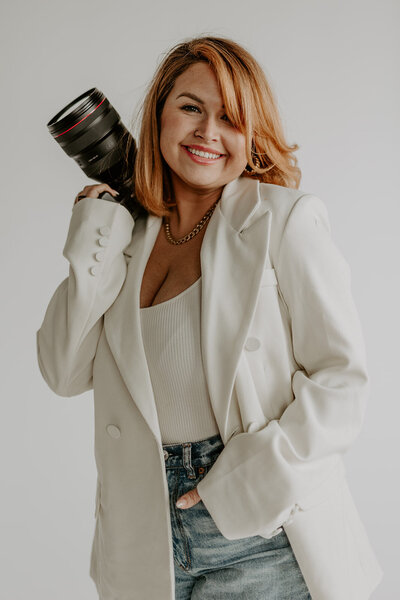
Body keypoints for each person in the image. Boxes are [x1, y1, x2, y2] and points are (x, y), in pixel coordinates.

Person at [37, 36, 383, 600]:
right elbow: (63, 372)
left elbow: (342, 382)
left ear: (252, 134)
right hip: (143, 539)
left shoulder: (283, 220)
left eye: (231, 118)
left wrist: (247, 481)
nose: (207, 133)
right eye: (191, 107)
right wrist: (93, 238)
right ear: (158, 115)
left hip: (265, 531)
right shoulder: (125, 236)